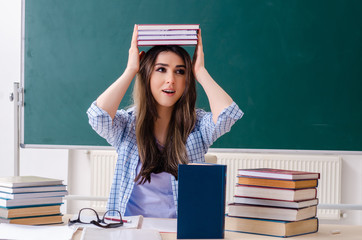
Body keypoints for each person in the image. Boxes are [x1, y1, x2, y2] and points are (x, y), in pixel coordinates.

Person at [87, 25, 243, 218]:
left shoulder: (197, 127)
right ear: (147, 74)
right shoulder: (127, 125)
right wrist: (131, 70)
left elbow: (227, 116)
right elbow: (97, 117)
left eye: (180, 71)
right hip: (130, 228)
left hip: (180, 230)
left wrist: (200, 71)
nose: (171, 80)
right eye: (161, 69)